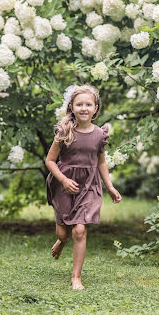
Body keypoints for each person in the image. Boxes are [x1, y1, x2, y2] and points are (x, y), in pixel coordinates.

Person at [45, 84, 122, 290]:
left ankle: (76, 277)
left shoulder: (100, 135)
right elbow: (50, 160)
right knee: (63, 233)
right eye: (79, 104)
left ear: (96, 108)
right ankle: (61, 242)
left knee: (79, 230)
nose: (84, 108)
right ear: (72, 107)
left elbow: (101, 162)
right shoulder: (64, 132)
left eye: (89, 104)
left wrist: (110, 187)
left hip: (89, 186)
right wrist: (62, 180)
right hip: (64, 184)